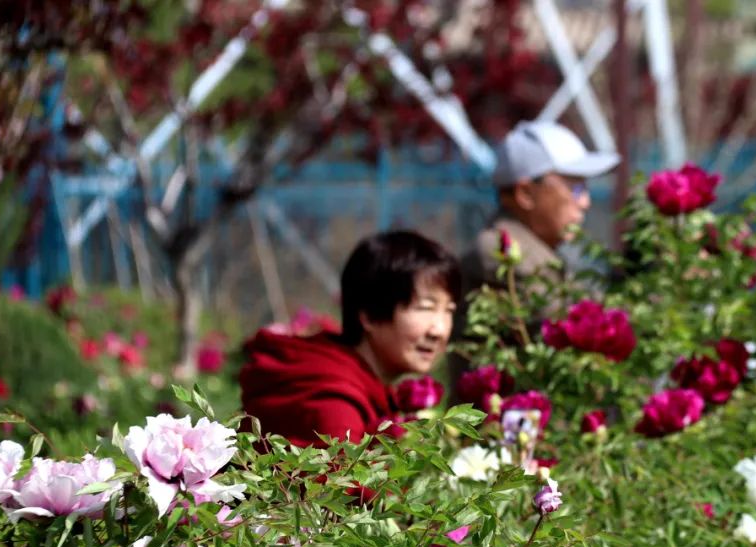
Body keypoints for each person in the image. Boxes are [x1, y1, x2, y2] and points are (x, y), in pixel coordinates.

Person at [239, 230, 460, 448]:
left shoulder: (365, 386)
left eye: (449, 310)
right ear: (369, 314)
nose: (439, 330)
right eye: (425, 308)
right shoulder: (333, 407)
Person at [461, 120, 620, 293]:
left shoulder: (540, 250)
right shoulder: (501, 253)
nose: (585, 202)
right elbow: (559, 308)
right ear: (526, 193)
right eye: (575, 188)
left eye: (584, 188)